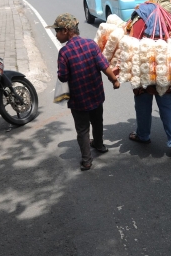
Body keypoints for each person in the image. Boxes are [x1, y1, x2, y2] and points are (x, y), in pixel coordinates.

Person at [126, 0, 171, 159]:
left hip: (146, 67)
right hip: (168, 68)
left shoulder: (143, 11)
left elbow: (133, 38)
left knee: (143, 102)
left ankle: (143, 135)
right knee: (167, 104)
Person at [51, 13, 120, 171]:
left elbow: (63, 77)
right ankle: (99, 145)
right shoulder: (91, 44)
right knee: (97, 122)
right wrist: (114, 81)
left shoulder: (64, 53)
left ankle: (87, 160)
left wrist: (62, 70)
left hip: (78, 100)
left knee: (82, 129)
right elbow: (105, 66)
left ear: (67, 31)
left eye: (58, 31)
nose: (56, 35)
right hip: (96, 95)